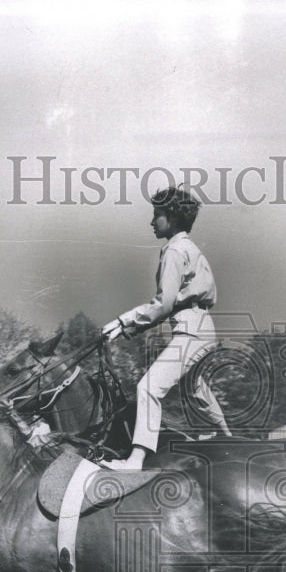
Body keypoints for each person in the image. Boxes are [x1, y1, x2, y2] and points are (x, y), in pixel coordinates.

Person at [100, 185, 231, 470]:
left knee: (148, 387)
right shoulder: (190, 248)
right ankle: (229, 439)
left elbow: (162, 304)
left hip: (192, 330)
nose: (151, 221)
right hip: (202, 329)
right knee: (195, 391)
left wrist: (124, 323)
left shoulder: (174, 251)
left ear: (171, 217)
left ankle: (135, 459)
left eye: (157, 214)